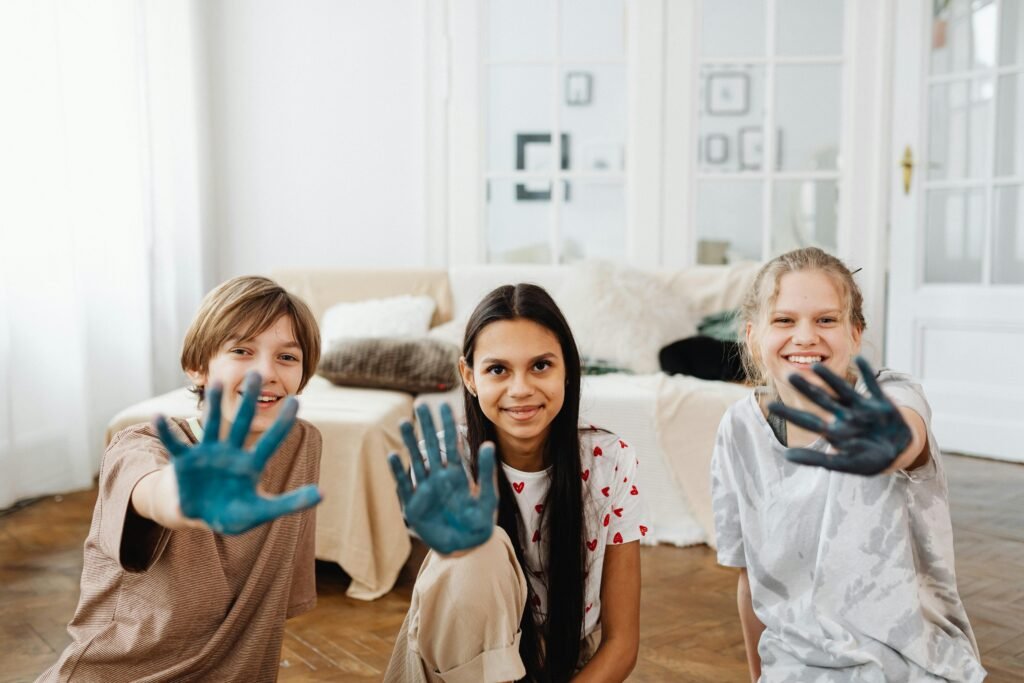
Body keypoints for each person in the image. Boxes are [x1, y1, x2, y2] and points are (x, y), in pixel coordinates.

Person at [711, 247, 986, 682]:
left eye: (826, 320)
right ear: (752, 335)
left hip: (912, 660)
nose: (805, 336)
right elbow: (752, 580)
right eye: (784, 320)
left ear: (856, 334)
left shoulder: (892, 396)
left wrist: (892, 441)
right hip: (799, 664)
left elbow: (906, 435)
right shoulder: (737, 429)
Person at [39, 275, 325, 682]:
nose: (266, 373)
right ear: (197, 368)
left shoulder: (303, 442)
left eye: (287, 357)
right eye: (242, 350)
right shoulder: (137, 447)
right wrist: (182, 496)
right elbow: (153, 490)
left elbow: (279, 594)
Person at [386, 283, 645, 682]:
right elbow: (448, 618)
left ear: (568, 371)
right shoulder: (446, 460)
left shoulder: (610, 461)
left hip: (564, 666)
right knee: (480, 548)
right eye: (498, 369)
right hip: (454, 668)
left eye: (541, 365)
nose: (521, 389)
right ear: (469, 377)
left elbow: (622, 642)